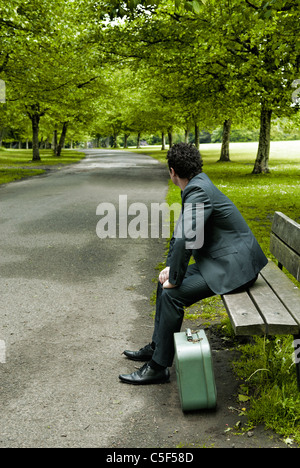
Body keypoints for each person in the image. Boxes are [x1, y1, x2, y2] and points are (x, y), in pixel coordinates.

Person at [119, 143, 268, 385]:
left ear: (172, 172)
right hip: (221, 261)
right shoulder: (198, 185)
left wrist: (175, 277)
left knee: (172, 294)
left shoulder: (198, 191)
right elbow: (181, 235)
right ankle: (158, 347)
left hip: (235, 268)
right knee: (163, 285)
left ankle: (158, 367)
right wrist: (171, 270)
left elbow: (184, 239)